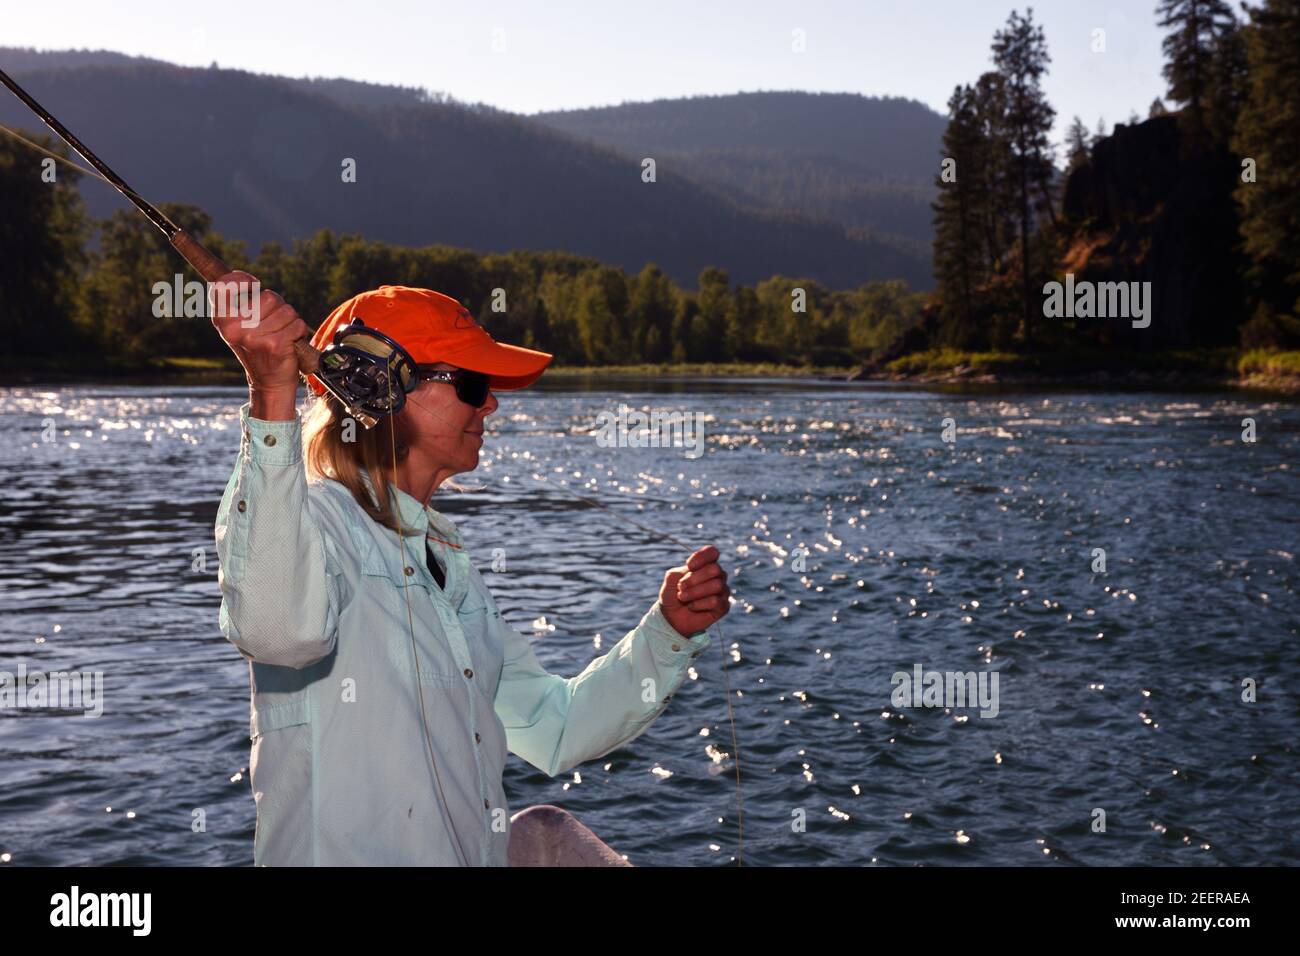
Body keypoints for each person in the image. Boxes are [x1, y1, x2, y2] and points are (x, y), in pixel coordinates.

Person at [210, 274, 731, 866]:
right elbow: (279, 631)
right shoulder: (310, 521)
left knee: (543, 831)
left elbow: (554, 727)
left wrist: (669, 633)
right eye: (473, 383)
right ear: (384, 387)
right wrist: (271, 391)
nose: (492, 403)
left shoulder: (441, 558)